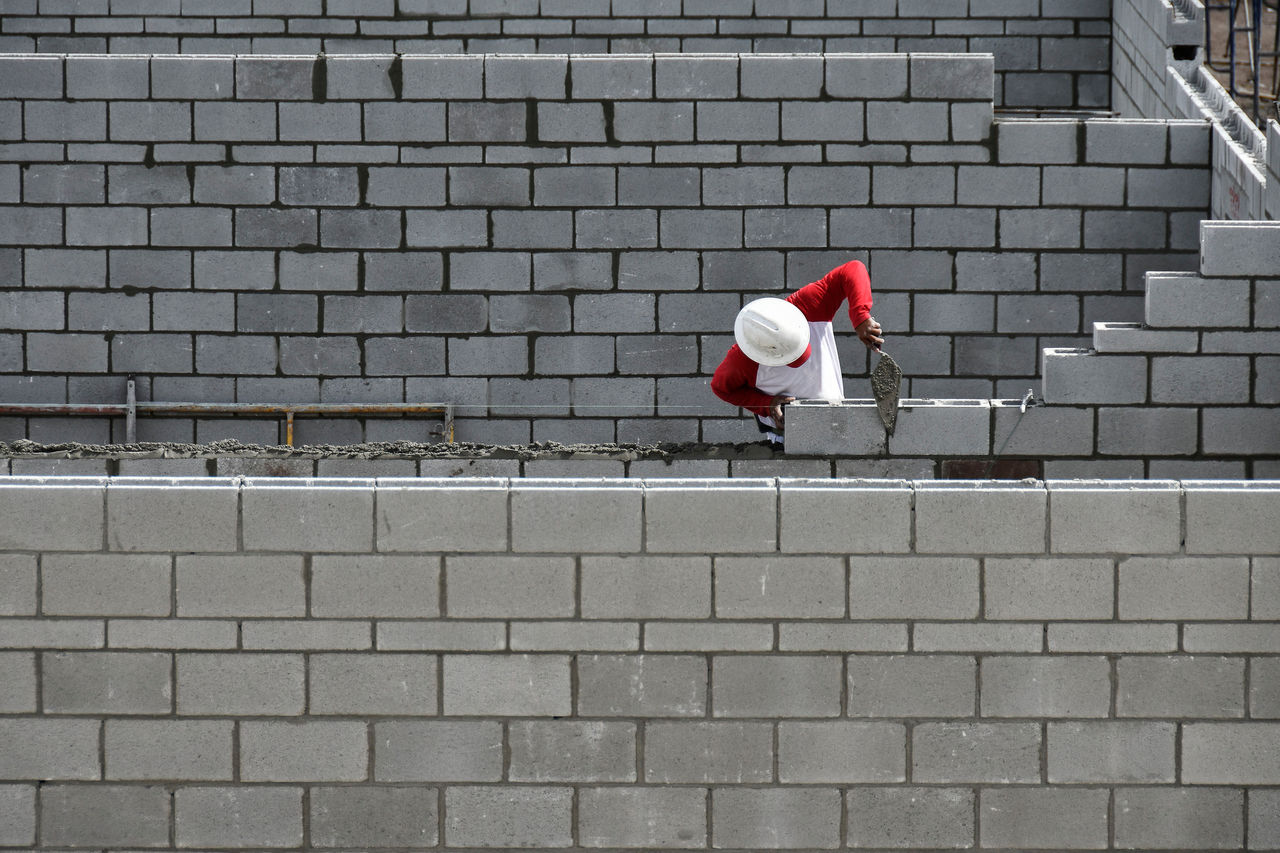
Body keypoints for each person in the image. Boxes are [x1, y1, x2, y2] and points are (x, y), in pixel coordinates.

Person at [710, 259, 882, 446]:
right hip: (787, 443)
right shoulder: (744, 357)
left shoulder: (808, 305)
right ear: (766, 352)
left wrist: (860, 315)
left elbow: (852, 269)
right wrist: (765, 404)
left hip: (836, 428)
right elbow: (721, 387)